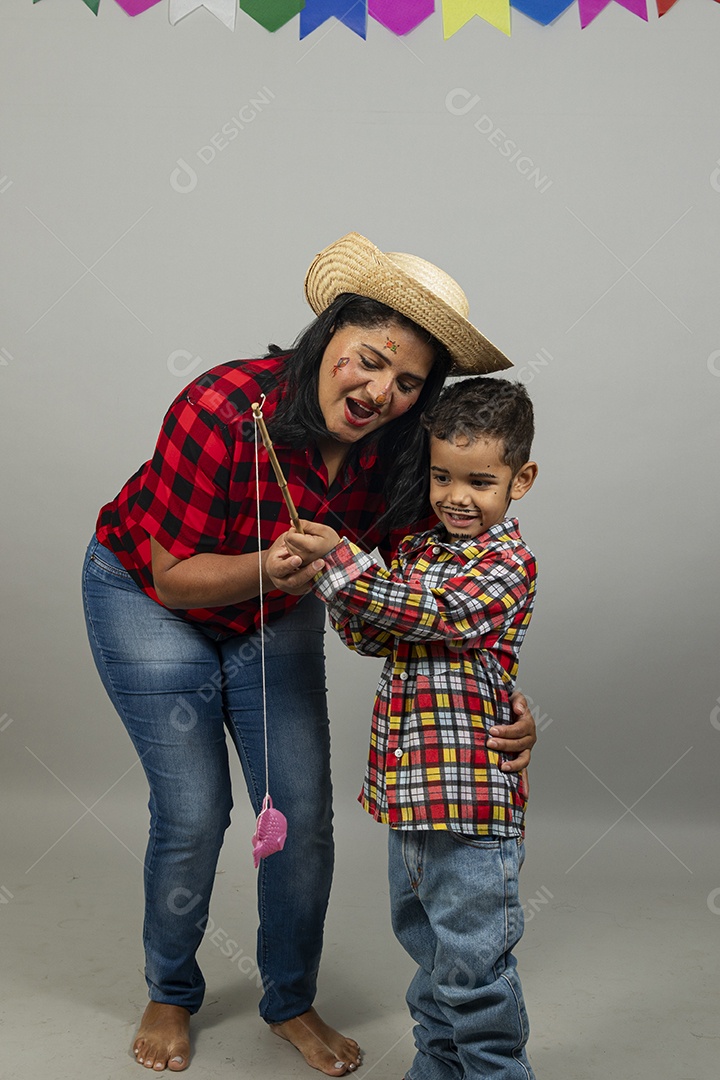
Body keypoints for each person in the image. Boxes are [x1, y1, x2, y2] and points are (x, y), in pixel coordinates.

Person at [81, 233, 538, 1076]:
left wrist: (500, 699)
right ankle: (169, 989)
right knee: (194, 813)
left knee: (300, 816)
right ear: (328, 333)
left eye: (407, 383)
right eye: (368, 361)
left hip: (274, 608)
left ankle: (288, 998)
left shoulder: (402, 449)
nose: (379, 393)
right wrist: (270, 567)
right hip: (150, 599)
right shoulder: (221, 405)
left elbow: (428, 598)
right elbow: (176, 579)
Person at [283, 376, 539, 1079]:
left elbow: (431, 615)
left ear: (521, 481)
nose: (457, 496)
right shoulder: (423, 553)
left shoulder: (505, 564)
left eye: (480, 481)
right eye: (442, 476)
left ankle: (493, 1073)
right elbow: (378, 633)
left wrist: (341, 562)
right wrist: (333, 584)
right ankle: (436, 1068)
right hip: (411, 801)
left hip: (470, 806)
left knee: (473, 968)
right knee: (429, 956)